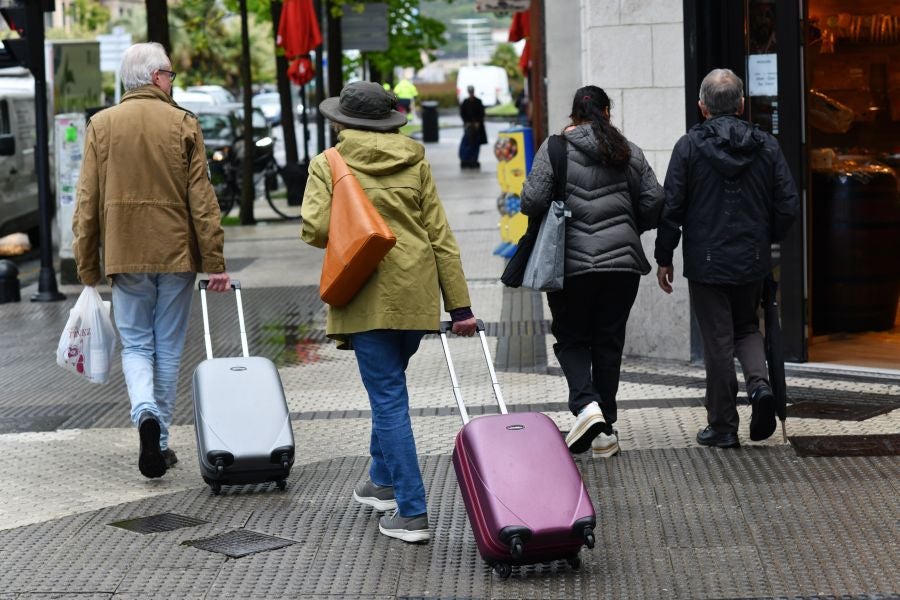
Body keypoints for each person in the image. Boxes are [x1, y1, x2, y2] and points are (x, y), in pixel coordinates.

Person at [301, 81, 477, 543]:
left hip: (364, 292)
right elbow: (439, 234)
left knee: (388, 399)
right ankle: (380, 481)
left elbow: (316, 230)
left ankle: (412, 510)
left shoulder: (329, 163)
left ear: (344, 121)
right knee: (390, 387)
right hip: (416, 294)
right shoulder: (415, 160)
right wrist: (459, 305)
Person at [72, 42, 231, 479]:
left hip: (125, 253)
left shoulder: (101, 126)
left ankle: (145, 414)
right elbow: (203, 200)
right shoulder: (183, 123)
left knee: (137, 344)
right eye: (171, 76)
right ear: (158, 76)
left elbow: (87, 202)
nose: (172, 82)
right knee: (168, 345)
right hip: (176, 252)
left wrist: (86, 265)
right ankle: (158, 439)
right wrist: (215, 261)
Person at [654, 68, 799, 448]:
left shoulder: (688, 146)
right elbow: (788, 204)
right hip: (751, 257)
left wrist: (664, 255)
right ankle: (760, 386)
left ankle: (722, 426)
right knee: (748, 327)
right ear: (742, 105)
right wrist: (767, 237)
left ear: (702, 108)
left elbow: (671, 206)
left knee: (717, 340)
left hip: (707, 260)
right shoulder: (765, 144)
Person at [520, 86, 664, 458]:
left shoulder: (554, 149)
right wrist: (631, 228)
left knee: (571, 338)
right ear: (606, 113)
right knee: (608, 341)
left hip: (570, 265)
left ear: (573, 115)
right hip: (622, 266)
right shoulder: (627, 150)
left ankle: (587, 406)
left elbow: (531, 202)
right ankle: (606, 431)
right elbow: (655, 201)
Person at [459, 85, 487, 169]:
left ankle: (474, 159)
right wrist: (466, 122)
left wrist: (478, 122)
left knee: (476, 143)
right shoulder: (465, 102)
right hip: (469, 126)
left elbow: (482, 113)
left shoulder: (478, 101)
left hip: (477, 126)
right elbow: (462, 113)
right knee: (467, 143)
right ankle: (466, 159)